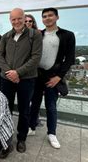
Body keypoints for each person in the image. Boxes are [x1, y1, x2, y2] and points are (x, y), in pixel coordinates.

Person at [0, 8, 43, 153]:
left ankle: (21, 138)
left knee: (24, 110)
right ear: (10, 20)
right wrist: (9, 73)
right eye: (13, 19)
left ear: (24, 18)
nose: (16, 22)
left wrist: (18, 72)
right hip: (7, 79)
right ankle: (7, 136)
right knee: (6, 109)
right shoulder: (6, 36)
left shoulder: (34, 35)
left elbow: (36, 58)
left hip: (26, 79)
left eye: (19, 19)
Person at [29, 8, 76, 149]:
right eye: (44, 16)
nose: (47, 18)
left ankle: (52, 133)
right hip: (37, 74)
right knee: (34, 103)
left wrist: (58, 77)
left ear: (57, 17)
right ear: (42, 19)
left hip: (53, 76)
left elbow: (69, 59)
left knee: (51, 106)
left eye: (50, 15)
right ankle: (31, 127)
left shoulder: (67, 35)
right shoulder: (39, 34)